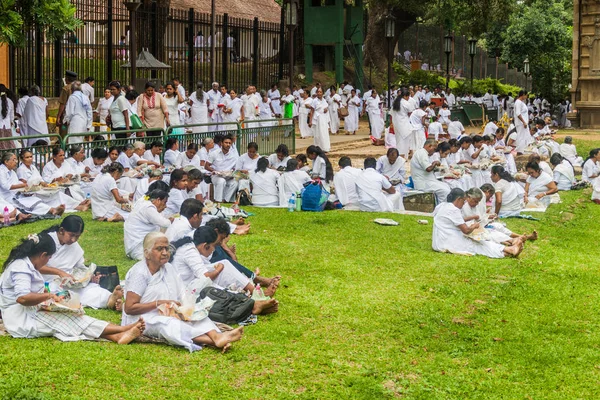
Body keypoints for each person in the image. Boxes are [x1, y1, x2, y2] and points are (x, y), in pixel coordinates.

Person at [0, 232, 145, 343]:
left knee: (74, 317)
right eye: (49, 258)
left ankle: (118, 336)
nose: (48, 262)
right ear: (43, 255)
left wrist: (48, 297)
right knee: (70, 322)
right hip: (20, 318)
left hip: (29, 311)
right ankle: (124, 329)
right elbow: (22, 298)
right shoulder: (21, 268)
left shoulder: (26, 264)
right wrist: (48, 296)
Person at [123, 232, 243, 353]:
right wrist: (158, 303)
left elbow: (182, 294)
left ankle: (217, 336)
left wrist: (187, 309)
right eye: (159, 249)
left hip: (169, 311)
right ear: (147, 253)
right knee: (169, 324)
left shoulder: (169, 268)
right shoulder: (140, 273)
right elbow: (129, 308)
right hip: (143, 318)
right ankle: (212, 341)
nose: (165, 252)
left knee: (197, 314)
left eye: (167, 248)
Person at [37, 216, 123, 310]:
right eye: (71, 235)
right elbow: (36, 265)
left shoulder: (74, 246)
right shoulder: (46, 241)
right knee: (64, 294)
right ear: (62, 230)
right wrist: (60, 272)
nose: (73, 240)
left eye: (77, 236)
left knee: (88, 288)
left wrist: (88, 276)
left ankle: (109, 299)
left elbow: (80, 267)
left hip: (67, 281)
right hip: (44, 282)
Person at [432, 188, 524, 258]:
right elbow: (466, 230)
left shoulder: (441, 206)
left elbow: (456, 221)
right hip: (448, 242)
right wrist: (474, 226)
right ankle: (509, 250)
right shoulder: (453, 209)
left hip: (439, 242)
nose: (464, 203)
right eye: (463, 201)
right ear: (459, 199)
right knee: (478, 245)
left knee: (479, 242)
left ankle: (507, 250)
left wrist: (473, 219)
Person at [171, 226, 255, 292]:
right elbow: (205, 277)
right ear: (205, 246)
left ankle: (252, 290)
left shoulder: (192, 247)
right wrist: (218, 269)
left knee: (224, 264)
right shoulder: (190, 252)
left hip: (192, 283)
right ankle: (254, 292)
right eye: (214, 246)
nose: (214, 250)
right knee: (223, 268)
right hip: (187, 289)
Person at [463, 187, 537, 244]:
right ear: (469, 197)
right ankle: (516, 240)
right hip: (474, 231)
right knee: (494, 233)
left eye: (478, 202)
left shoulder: (475, 206)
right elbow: (469, 223)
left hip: (482, 225)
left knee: (499, 226)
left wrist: (488, 216)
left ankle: (521, 237)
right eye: (475, 201)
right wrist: (479, 219)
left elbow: (480, 218)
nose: (477, 203)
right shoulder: (464, 207)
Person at [124, 188, 172, 260]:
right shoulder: (148, 208)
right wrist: (171, 220)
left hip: (135, 247)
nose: (165, 206)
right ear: (158, 200)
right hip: (139, 249)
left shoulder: (143, 203)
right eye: (164, 202)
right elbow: (165, 224)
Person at [410, 139, 451, 204]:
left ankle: (442, 206)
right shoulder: (421, 153)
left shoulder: (424, 154)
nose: (434, 152)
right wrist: (435, 163)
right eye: (434, 149)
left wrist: (436, 168)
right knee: (445, 191)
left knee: (447, 186)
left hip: (428, 181)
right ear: (429, 146)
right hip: (423, 183)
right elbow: (428, 168)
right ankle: (441, 209)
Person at [205, 134, 239, 202]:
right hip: (217, 176)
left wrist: (232, 172)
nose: (228, 144)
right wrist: (214, 171)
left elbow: (236, 168)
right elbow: (206, 166)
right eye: (226, 143)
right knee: (221, 181)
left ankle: (225, 200)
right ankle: (218, 200)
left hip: (228, 176)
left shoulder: (233, 155)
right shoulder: (214, 153)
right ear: (221, 143)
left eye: (229, 143)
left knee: (236, 182)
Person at [391, 91, 413, 158]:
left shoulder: (395, 103)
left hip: (397, 123)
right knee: (405, 139)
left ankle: (401, 155)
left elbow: (391, 113)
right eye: (408, 96)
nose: (408, 98)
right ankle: (403, 156)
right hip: (404, 123)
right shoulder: (406, 103)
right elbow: (410, 113)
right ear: (405, 96)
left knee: (399, 140)